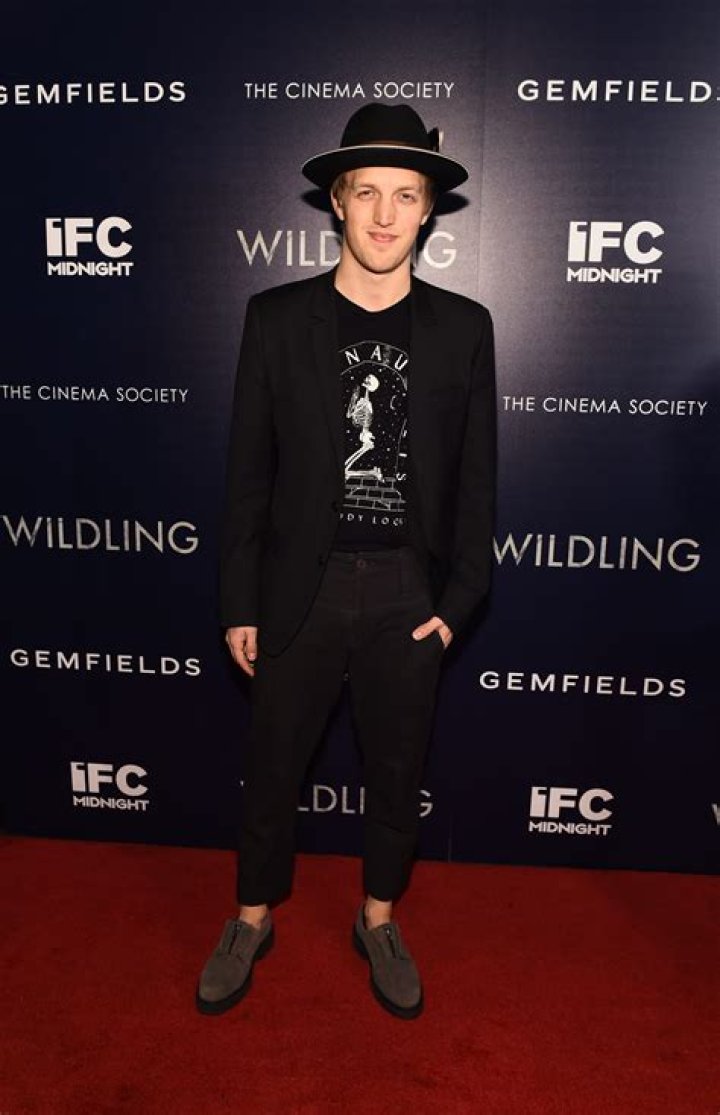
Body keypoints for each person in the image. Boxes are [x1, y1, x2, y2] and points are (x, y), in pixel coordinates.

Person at [197, 103, 496, 1020]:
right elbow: (249, 475)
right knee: (271, 768)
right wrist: (240, 599)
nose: (384, 214)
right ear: (336, 200)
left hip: (409, 591)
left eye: (405, 195)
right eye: (367, 192)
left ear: (428, 209)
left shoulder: (465, 327)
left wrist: (459, 599)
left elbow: (477, 479)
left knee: (398, 773)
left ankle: (379, 918)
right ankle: (252, 917)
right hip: (302, 588)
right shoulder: (275, 318)